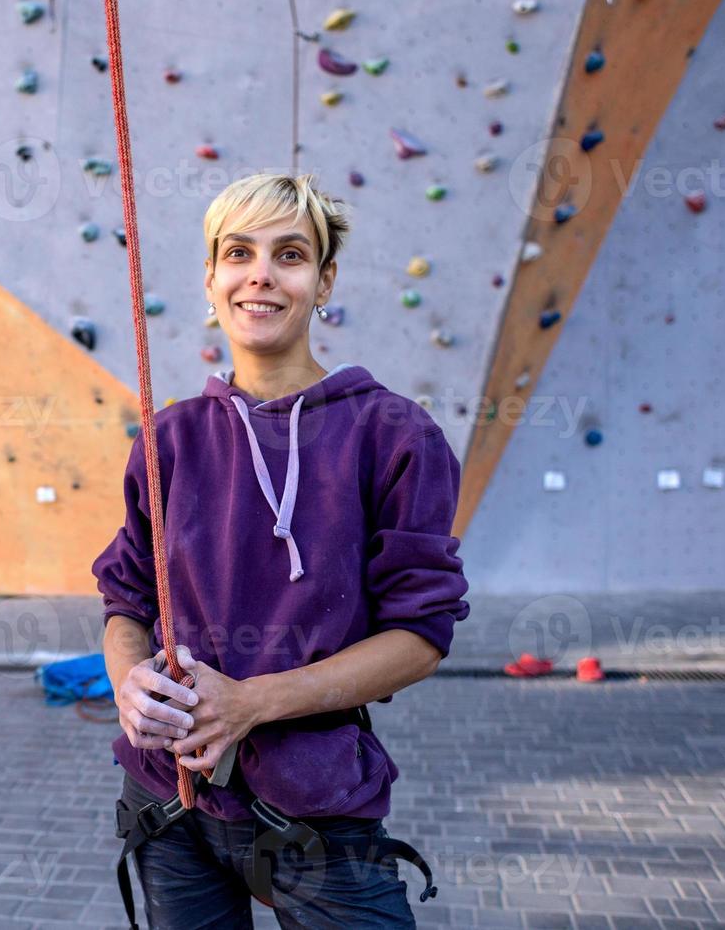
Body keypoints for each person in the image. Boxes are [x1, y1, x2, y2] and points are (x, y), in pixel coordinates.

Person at [94, 172, 470, 929]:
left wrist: (250, 704)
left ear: (323, 280)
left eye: (290, 254)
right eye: (239, 252)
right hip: (168, 803)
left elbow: (420, 637)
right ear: (211, 277)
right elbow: (126, 600)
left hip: (316, 812)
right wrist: (127, 679)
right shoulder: (168, 439)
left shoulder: (393, 435)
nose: (260, 273)